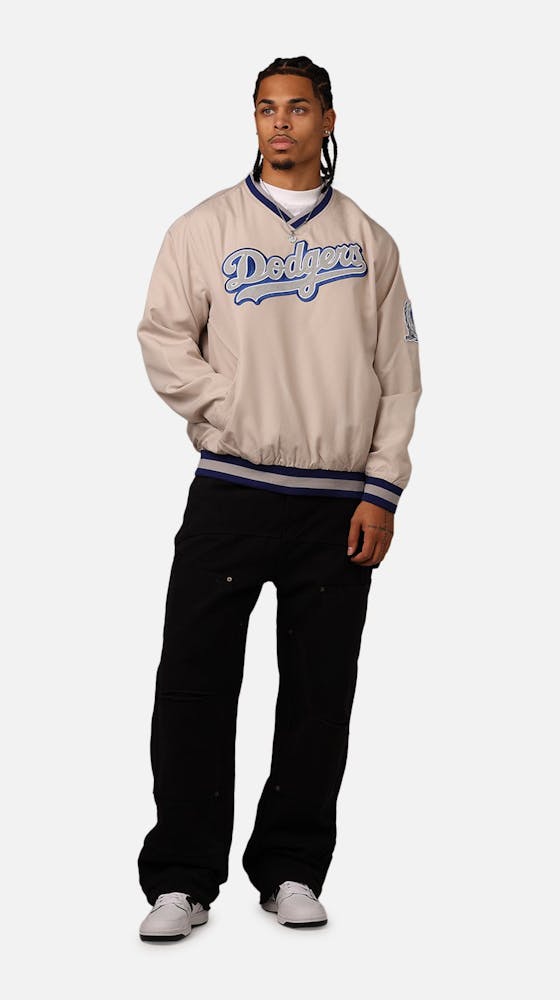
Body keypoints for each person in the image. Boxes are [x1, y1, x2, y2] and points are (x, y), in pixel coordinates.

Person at [134, 55, 422, 941]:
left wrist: (382, 490)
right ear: (254, 119)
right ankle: (182, 880)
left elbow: (400, 375)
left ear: (328, 119)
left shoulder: (370, 242)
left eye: (298, 108)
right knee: (193, 686)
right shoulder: (204, 228)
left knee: (318, 695)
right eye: (267, 108)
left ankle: (292, 868)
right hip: (232, 490)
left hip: (338, 505)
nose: (281, 123)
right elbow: (163, 338)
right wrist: (233, 408)